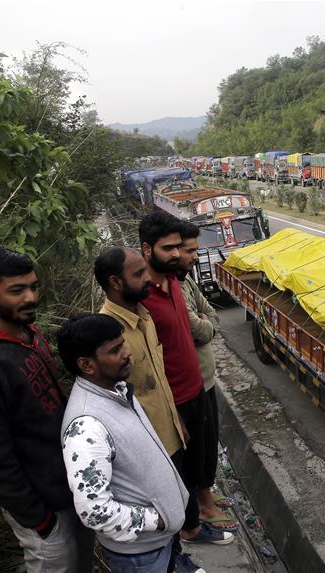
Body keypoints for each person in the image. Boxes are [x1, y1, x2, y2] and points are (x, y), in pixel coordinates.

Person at [0, 248, 93, 573]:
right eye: (17, 290)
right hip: (44, 512)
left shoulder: (27, 333)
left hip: (69, 490)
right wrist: (39, 520)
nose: (30, 297)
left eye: (33, 286)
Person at [94, 246, 205, 573]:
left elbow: (157, 379)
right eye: (138, 274)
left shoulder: (145, 316)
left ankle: (176, 557)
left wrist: (175, 422)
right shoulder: (107, 336)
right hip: (145, 451)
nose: (148, 280)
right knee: (159, 517)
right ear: (116, 282)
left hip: (169, 434)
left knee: (175, 510)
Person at [57, 313, 189, 573]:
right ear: (87, 365)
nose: (127, 352)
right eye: (115, 350)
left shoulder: (115, 389)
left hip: (158, 544)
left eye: (123, 343)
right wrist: (157, 520)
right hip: (141, 557)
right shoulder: (86, 427)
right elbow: (94, 511)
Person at [138, 210, 234, 547]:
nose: (180, 255)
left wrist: (204, 327)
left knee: (201, 455)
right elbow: (195, 330)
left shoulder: (175, 284)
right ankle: (190, 527)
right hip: (173, 398)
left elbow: (206, 320)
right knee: (183, 466)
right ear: (147, 250)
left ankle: (198, 513)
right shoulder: (142, 296)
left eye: (182, 248)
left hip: (197, 387)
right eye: (170, 248)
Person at [177, 223, 238, 531]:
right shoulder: (173, 288)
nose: (196, 257)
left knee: (209, 443)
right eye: (190, 251)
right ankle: (203, 507)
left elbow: (210, 315)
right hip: (192, 385)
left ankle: (208, 498)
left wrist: (206, 323)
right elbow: (199, 329)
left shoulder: (185, 281)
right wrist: (205, 324)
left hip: (205, 380)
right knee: (198, 449)